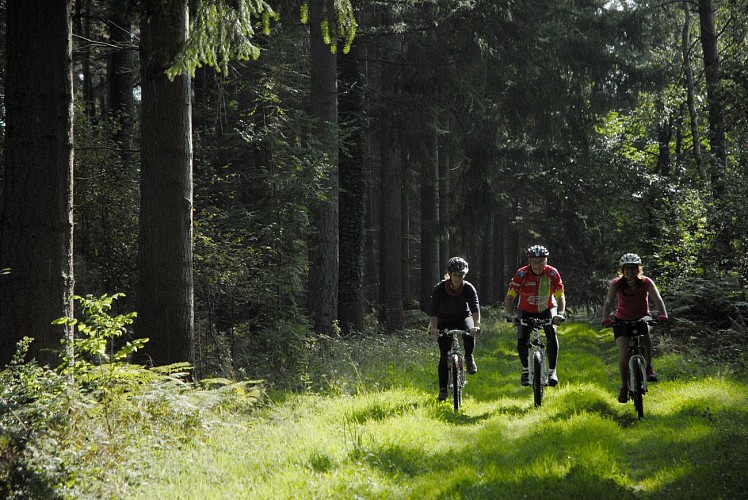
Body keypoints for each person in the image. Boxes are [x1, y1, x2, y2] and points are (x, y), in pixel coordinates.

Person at [601, 253, 669, 403]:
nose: (630, 271)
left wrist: (663, 314)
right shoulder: (616, 284)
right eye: (627, 269)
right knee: (624, 353)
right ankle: (624, 386)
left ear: (638, 269)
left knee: (645, 333)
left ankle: (649, 367)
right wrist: (605, 318)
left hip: (642, 316)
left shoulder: (646, 282)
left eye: (633, 268)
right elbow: (608, 301)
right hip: (622, 319)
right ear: (622, 270)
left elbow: (657, 298)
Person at [504, 245, 566, 387]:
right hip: (525, 309)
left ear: (546, 261)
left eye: (541, 261)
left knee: (552, 334)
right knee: (521, 338)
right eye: (535, 262)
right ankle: (526, 370)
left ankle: (552, 371)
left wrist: (560, 314)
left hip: (547, 308)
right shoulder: (521, 274)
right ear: (529, 261)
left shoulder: (552, 273)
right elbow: (510, 296)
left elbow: (560, 296)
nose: (538, 265)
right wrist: (509, 314)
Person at [429, 257, 481, 402]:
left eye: (461, 275)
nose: (459, 278)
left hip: (463, 317)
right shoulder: (440, 288)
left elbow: (475, 308)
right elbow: (433, 310)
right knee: (444, 356)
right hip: (444, 320)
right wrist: (434, 329)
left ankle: (469, 357)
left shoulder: (468, 288)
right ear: (449, 274)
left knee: (470, 332)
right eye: (456, 275)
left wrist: (476, 325)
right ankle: (443, 390)